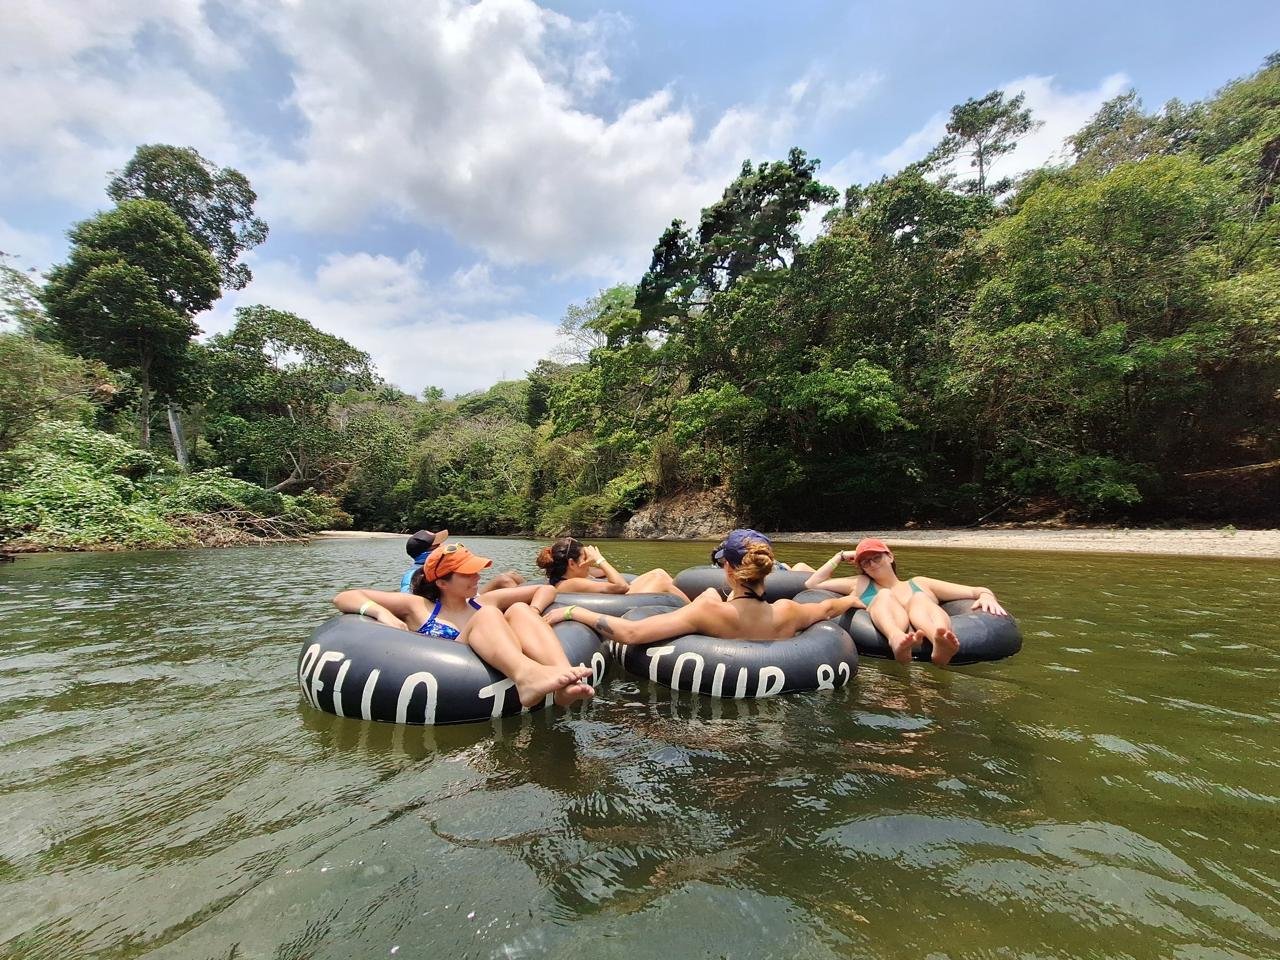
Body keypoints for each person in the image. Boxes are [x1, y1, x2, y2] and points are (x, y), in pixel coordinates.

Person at [336, 543, 593, 709]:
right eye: (467, 574)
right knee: (489, 615)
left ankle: (565, 684)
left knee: (519, 609)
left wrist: (535, 610)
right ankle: (526, 676)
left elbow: (546, 589)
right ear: (442, 583)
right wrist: (382, 613)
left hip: (491, 665)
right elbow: (345, 597)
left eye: (476, 571)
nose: (478, 577)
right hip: (450, 680)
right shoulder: (418, 606)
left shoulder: (482, 601)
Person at [542, 529, 864, 645]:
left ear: (728, 568)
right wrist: (852, 600)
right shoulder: (789, 612)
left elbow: (631, 634)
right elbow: (827, 607)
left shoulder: (707, 611)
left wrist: (573, 611)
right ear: (766, 570)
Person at [803, 537, 1009, 665]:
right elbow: (812, 583)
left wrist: (987, 595)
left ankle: (939, 643)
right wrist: (839, 556)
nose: (872, 564)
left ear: (890, 557)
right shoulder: (861, 583)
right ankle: (896, 639)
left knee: (919, 598)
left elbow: (974, 590)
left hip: (925, 620)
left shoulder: (921, 583)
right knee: (884, 595)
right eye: (865, 562)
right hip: (890, 625)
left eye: (876, 557)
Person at [536, 537, 688, 601]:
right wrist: (600, 559)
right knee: (660, 579)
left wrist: (590, 562)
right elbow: (621, 586)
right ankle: (692, 609)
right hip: (621, 608)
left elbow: (603, 573)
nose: (588, 561)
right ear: (571, 564)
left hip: (621, 601)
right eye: (584, 557)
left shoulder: (567, 578)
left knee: (657, 572)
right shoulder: (572, 583)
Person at [400, 528, 525, 594]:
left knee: (512, 574)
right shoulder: (413, 575)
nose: (443, 546)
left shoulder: (441, 564)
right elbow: (408, 600)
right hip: (452, 605)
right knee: (504, 580)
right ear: (427, 552)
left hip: (459, 598)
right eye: (438, 545)